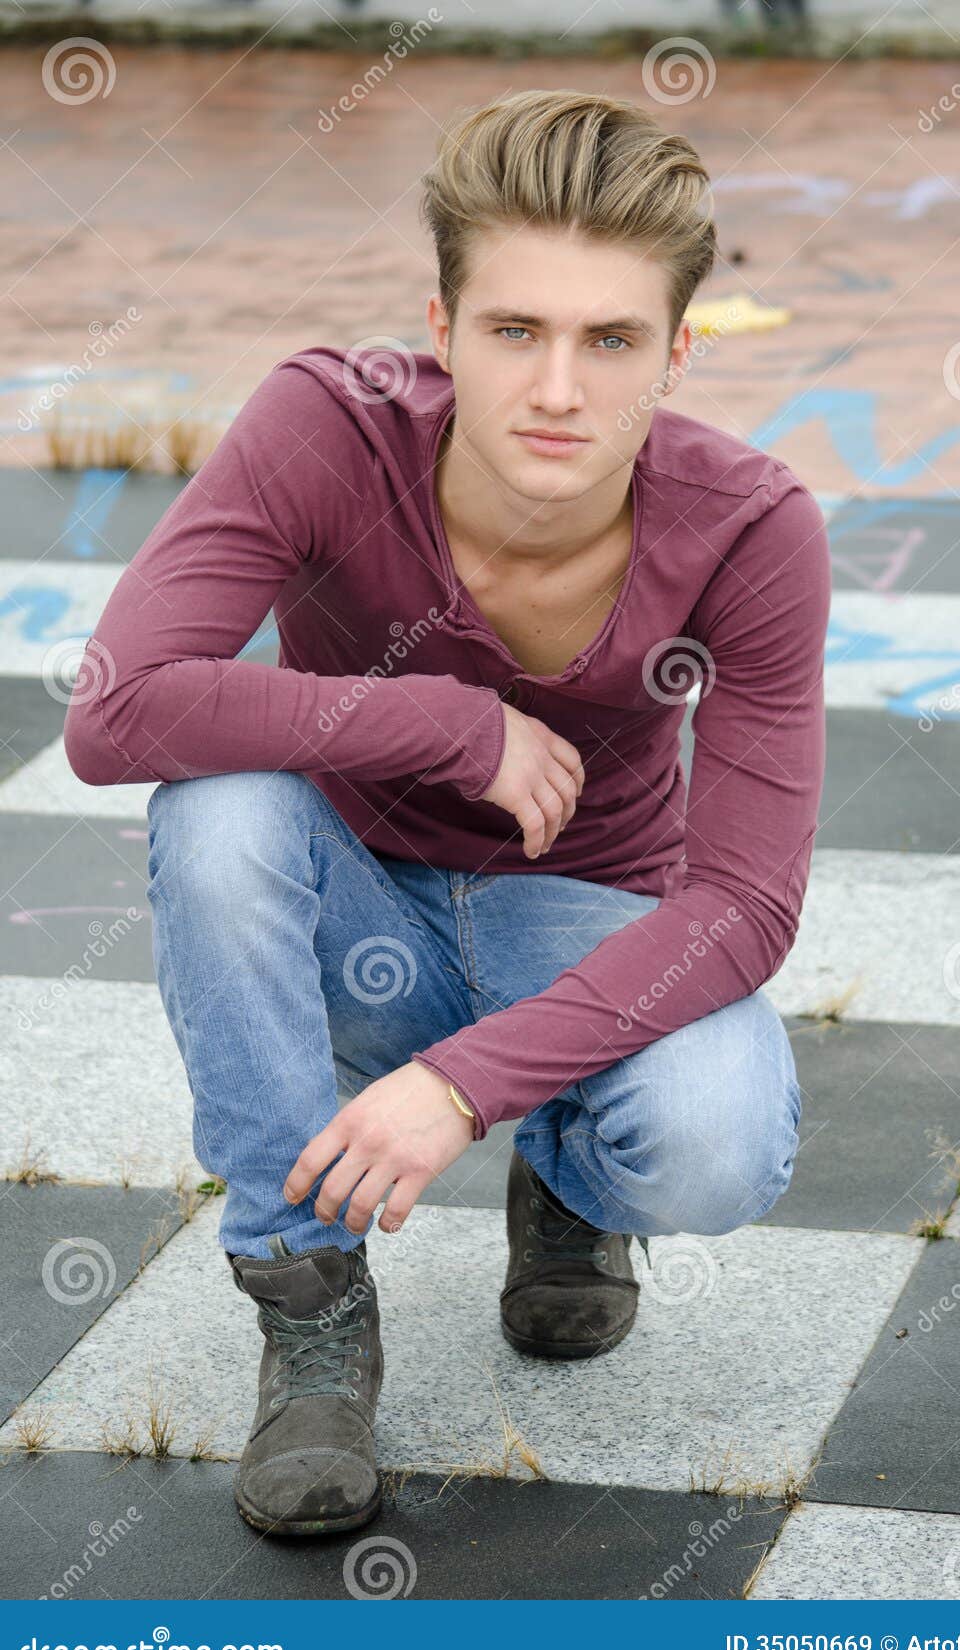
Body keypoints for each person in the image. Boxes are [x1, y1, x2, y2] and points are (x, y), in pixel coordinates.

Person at [64, 88, 831, 1537]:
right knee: (219, 804)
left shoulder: (750, 525)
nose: (557, 389)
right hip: (349, 897)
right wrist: (443, 719)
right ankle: (309, 1302)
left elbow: (745, 903)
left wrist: (467, 1086)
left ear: (678, 349)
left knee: (719, 1135)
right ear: (441, 321)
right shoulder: (325, 427)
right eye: (515, 330)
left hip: (582, 922)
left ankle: (567, 1170)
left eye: (610, 340)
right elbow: (114, 709)